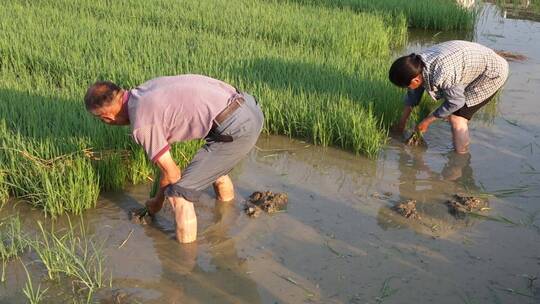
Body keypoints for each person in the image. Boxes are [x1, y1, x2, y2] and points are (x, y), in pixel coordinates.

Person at [84, 75, 264, 243]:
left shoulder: (141, 123)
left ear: (106, 118)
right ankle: (226, 219)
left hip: (236, 127)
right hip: (249, 107)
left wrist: (156, 202)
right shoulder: (144, 90)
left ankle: (184, 265)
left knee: (180, 195)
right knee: (215, 171)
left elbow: (172, 173)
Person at [389, 40, 509, 153]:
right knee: (451, 108)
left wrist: (427, 121)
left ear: (416, 79)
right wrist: (402, 123)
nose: (408, 89)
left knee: (457, 118)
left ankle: (460, 160)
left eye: (407, 86)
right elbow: (413, 96)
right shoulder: (416, 65)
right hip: (471, 62)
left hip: (492, 72)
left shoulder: (442, 73)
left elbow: (456, 102)